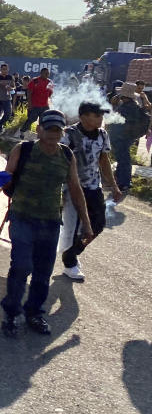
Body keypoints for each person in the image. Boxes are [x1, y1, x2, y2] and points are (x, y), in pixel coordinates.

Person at [0, 110, 93, 338]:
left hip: (50, 223)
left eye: (57, 130)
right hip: (22, 218)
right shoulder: (23, 149)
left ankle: (34, 313)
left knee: (43, 272)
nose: (53, 133)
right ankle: (11, 313)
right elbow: (5, 179)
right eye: (48, 128)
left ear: (62, 132)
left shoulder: (67, 155)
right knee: (21, 267)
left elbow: (75, 189)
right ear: (39, 129)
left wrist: (87, 224)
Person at [61, 102, 125, 280]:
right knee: (72, 226)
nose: (101, 118)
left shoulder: (103, 135)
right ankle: (70, 263)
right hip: (72, 188)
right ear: (83, 117)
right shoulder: (68, 134)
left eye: (101, 115)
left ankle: (72, 252)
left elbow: (104, 161)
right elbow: (57, 160)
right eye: (97, 115)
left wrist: (113, 185)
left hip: (93, 187)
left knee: (97, 224)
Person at [107, 82, 151, 193]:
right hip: (126, 137)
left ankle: (124, 183)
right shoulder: (130, 105)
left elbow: (114, 119)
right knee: (122, 159)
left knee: (124, 160)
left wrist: (113, 106)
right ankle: (120, 180)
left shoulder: (127, 107)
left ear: (124, 96)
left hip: (123, 137)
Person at [20, 67, 53, 138]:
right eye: (46, 73)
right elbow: (29, 92)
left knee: (43, 121)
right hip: (35, 105)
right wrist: (30, 104)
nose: (47, 75)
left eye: (48, 73)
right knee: (32, 119)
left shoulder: (49, 82)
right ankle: (22, 131)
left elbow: (50, 94)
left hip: (45, 106)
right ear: (41, 73)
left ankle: (40, 136)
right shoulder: (35, 81)